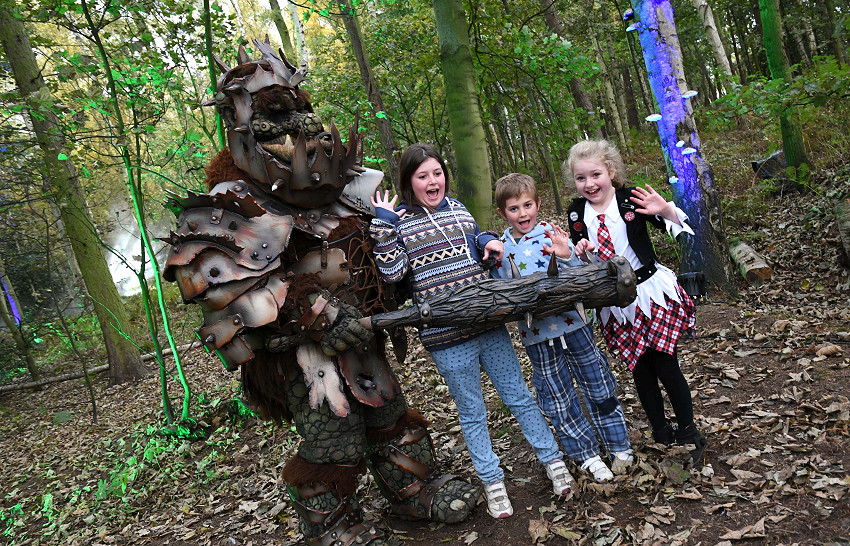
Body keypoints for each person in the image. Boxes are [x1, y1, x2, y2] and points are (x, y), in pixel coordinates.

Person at [163, 41, 481, 546]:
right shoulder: (227, 201)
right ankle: (335, 528)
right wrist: (317, 314)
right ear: (240, 117)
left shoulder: (343, 186)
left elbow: (380, 250)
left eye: (298, 106)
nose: (294, 119)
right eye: (274, 110)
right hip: (302, 354)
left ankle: (413, 491)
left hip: (364, 336)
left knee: (387, 410)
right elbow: (231, 288)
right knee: (332, 433)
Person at [369, 143, 573, 519]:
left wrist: (487, 239)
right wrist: (382, 222)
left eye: (437, 173)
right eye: (422, 176)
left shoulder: (458, 208)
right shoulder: (397, 221)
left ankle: (553, 460)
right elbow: (393, 273)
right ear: (409, 182)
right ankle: (492, 481)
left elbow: (477, 238)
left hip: (487, 323)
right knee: (472, 412)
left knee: (518, 396)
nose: (433, 181)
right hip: (446, 337)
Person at [564, 139, 707, 465]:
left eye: (595, 174)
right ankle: (661, 432)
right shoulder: (576, 211)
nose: (589, 184)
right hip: (615, 302)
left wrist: (666, 209)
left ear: (611, 172)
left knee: (665, 364)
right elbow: (581, 253)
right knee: (640, 369)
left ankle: (688, 431)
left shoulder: (630, 199)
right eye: (581, 178)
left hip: (649, 293)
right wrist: (580, 251)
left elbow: (678, 227)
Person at [492, 173, 634, 483]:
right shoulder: (502, 249)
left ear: (538, 204)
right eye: (514, 209)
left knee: (597, 382)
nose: (523, 214)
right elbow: (503, 292)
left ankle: (618, 445)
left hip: (575, 325)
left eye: (528, 205)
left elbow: (583, 275)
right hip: (538, 337)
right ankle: (586, 454)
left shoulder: (552, 234)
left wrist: (567, 254)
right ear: (503, 213)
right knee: (558, 396)